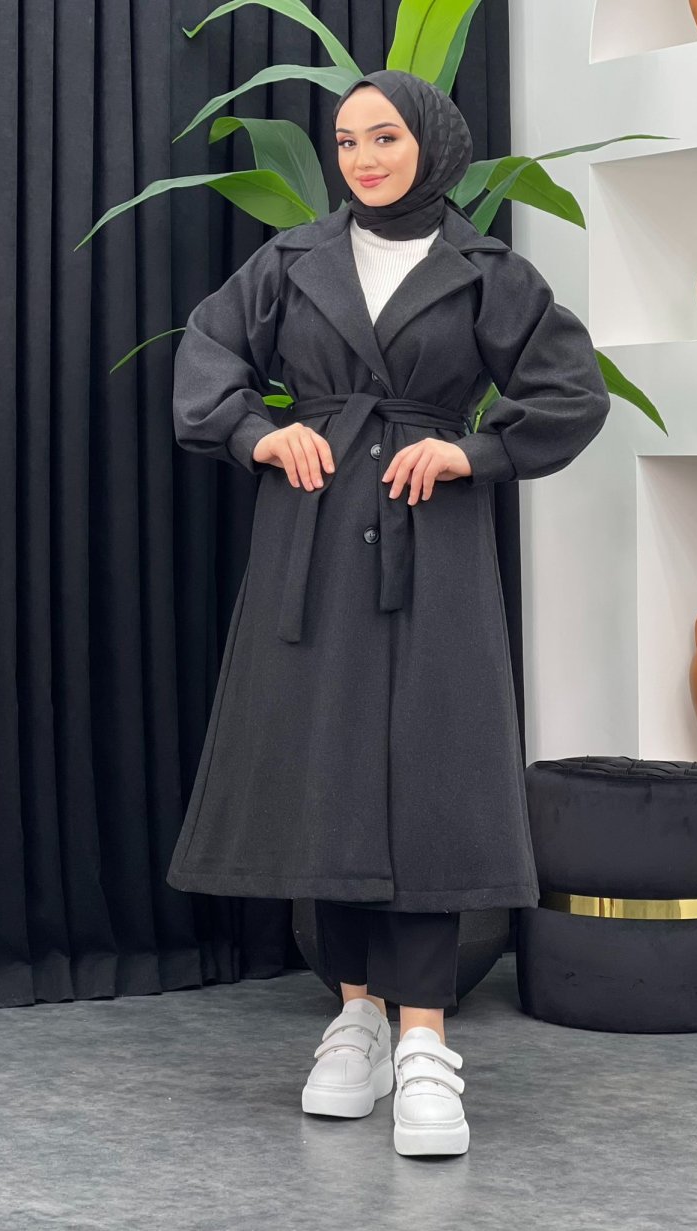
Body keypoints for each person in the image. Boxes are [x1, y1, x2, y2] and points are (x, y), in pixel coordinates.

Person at [165, 68, 612, 1158]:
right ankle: (355, 1017)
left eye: (385, 138)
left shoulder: (487, 271)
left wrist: (472, 452)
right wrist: (259, 433)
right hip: (312, 539)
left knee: (429, 775)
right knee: (325, 769)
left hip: (432, 541)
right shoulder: (291, 260)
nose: (362, 159)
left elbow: (571, 391)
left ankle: (424, 1040)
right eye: (347, 141)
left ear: (433, 144)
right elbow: (207, 358)